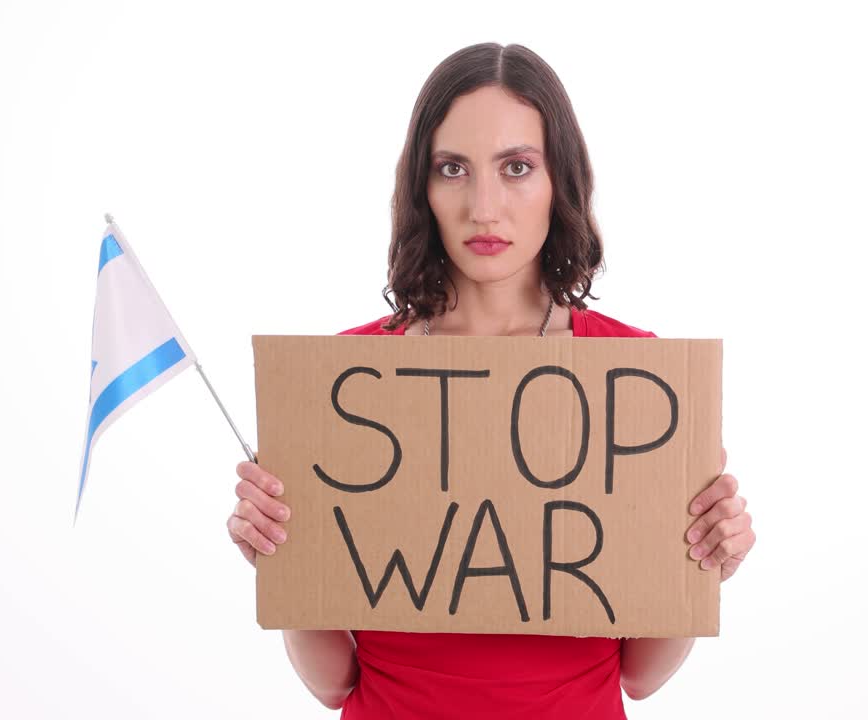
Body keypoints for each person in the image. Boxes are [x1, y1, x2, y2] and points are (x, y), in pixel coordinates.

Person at [226, 42, 756, 719]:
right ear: (422, 185)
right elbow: (333, 683)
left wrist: (703, 563)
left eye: (515, 167)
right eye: (453, 168)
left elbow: (641, 676)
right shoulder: (347, 381)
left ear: (558, 180)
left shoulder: (634, 374)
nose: (483, 206)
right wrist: (285, 558)